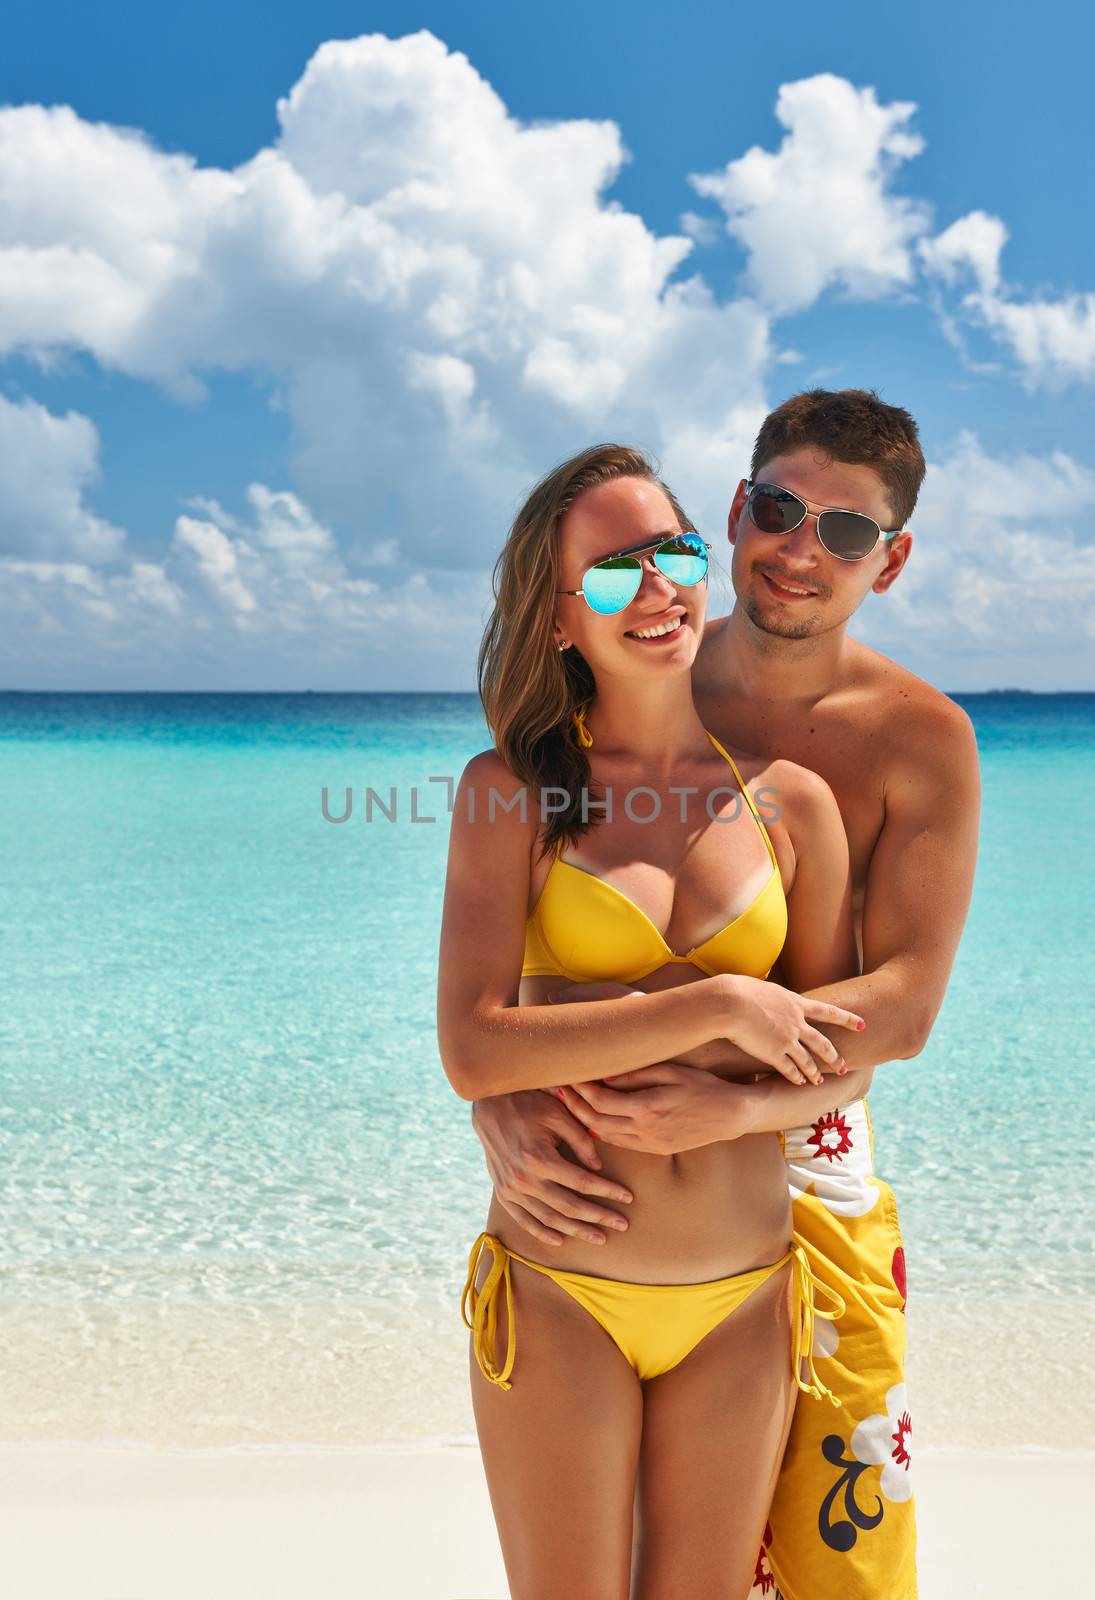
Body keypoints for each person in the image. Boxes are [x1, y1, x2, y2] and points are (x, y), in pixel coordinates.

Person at [468, 389, 981, 1600]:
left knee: (839, 1555)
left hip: (807, 1132)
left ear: (891, 561)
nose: (803, 550)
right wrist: (498, 1100)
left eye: (847, 533)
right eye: (781, 510)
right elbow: (510, 947)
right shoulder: (641, 653)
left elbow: (902, 1004)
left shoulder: (918, 739)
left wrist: (739, 1107)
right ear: (741, 509)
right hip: (597, 1186)